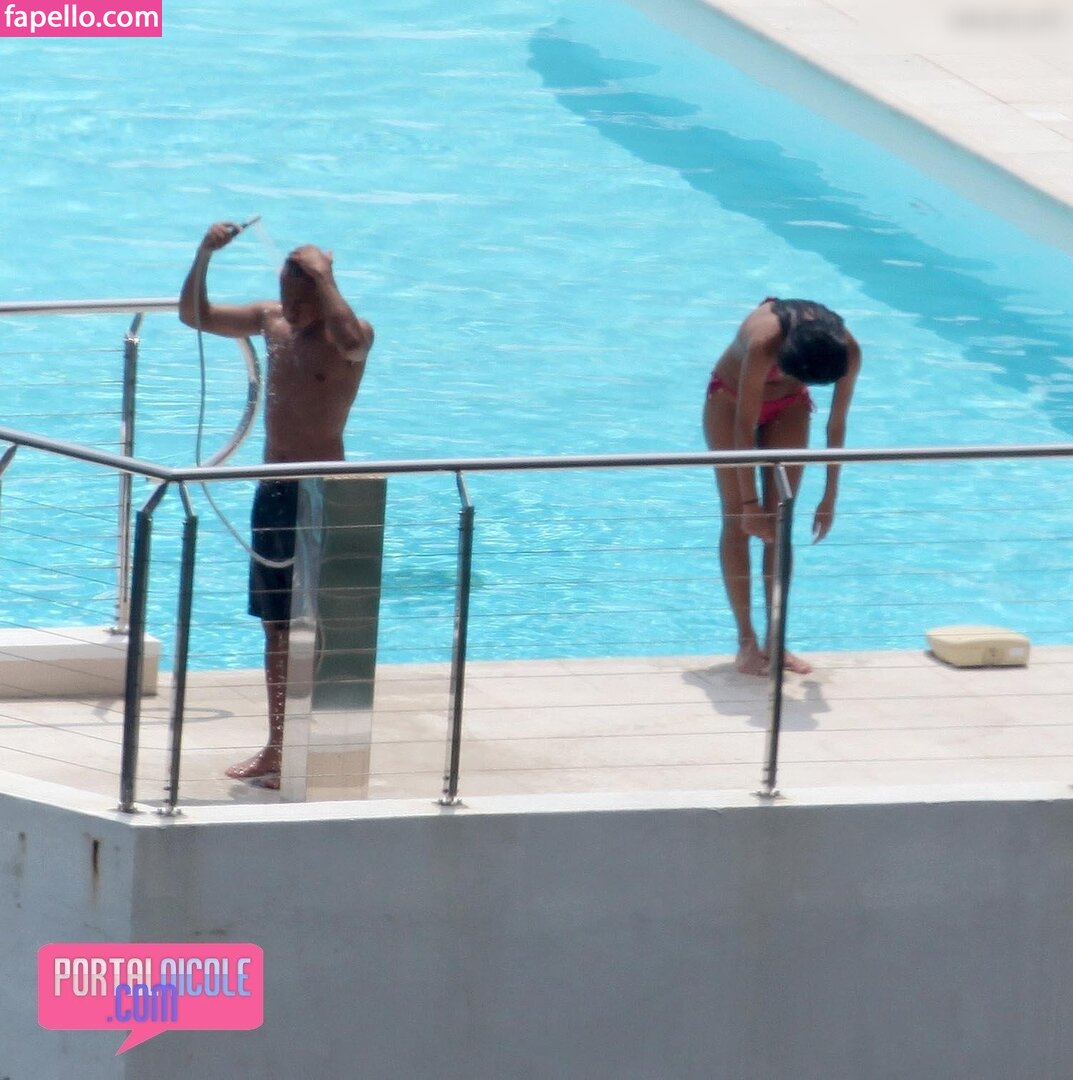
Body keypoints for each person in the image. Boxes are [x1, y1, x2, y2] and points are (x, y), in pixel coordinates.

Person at [179, 222, 374, 787]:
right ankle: (280, 746)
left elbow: (354, 343)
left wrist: (324, 275)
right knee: (276, 626)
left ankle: (319, 745)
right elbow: (195, 315)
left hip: (322, 491)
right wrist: (204, 254)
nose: (291, 310)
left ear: (324, 293)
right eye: (285, 296)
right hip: (275, 491)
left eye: (302, 299)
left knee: (321, 625)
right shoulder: (272, 321)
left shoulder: (347, 333)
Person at [703, 297, 860, 677]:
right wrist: (749, 503)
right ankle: (746, 641)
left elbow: (836, 425)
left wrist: (830, 495)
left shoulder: (847, 349)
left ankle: (777, 640)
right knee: (739, 521)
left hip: (789, 407)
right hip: (730, 401)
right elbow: (743, 427)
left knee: (780, 524)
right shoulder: (763, 342)